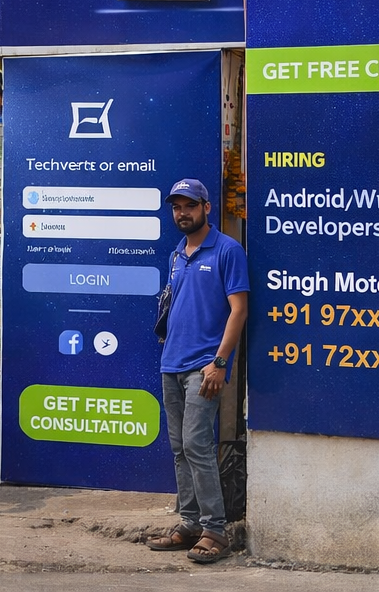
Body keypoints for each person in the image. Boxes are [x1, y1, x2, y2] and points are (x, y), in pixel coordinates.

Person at [147, 177, 249, 565]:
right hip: (170, 363)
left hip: (204, 367)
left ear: (207, 207)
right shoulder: (177, 253)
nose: (182, 213)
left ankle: (215, 530)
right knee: (179, 449)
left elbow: (238, 310)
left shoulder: (227, 250)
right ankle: (188, 522)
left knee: (196, 446)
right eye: (176, 207)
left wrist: (220, 362)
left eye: (189, 205)